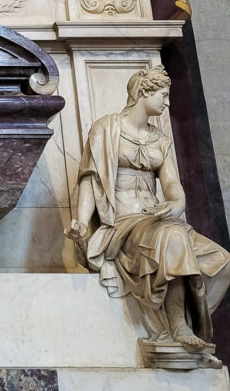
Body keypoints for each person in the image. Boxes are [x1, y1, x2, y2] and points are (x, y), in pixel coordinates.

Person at [67, 66, 230, 363]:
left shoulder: (159, 139)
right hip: (123, 224)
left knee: (221, 262)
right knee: (173, 235)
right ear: (144, 93)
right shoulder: (106, 128)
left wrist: (176, 205)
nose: (167, 103)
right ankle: (177, 326)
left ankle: (190, 323)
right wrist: (80, 222)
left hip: (158, 219)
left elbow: (171, 185)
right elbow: (91, 180)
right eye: (163, 95)